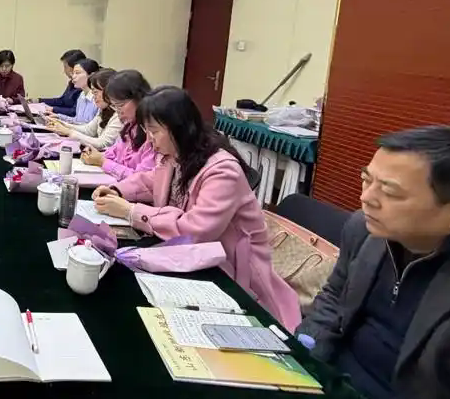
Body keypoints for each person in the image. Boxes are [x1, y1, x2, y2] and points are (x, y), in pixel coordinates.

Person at [297, 127, 450, 399]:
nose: (366, 198)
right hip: (329, 398)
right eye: (367, 180)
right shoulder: (364, 229)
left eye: (390, 191)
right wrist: (301, 363)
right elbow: (333, 300)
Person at [91, 86, 300, 330]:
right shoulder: (174, 154)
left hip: (236, 275)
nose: (149, 139)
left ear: (179, 128)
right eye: (146, 131)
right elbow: (153, 181)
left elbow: (195, 231)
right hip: (192, 256)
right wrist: (118, 190)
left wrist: (131, 212)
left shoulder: (222, 170)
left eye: (154, 131)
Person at [80, 69, 156, 180]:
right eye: (114, 106)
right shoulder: (130, 127)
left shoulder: (152, 133)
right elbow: (114, 152)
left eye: (120, 105)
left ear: (138, 98)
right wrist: (95, 155)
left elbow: (140, 180)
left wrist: (103, 162)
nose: (118, 112)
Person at [46, 69, 121, 150]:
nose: (93, 96)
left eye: (95, 92)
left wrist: (68, 131)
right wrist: (63, 124)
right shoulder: (104, 109)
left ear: (109, 92)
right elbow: (89, 130)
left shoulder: (119, 114)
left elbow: (103, 144)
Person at [37, 49, 85, 116]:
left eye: (65, 67)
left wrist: (53, 109)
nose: (64, 71)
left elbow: (74, 112)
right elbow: (62, 101)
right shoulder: (72, 83)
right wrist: (39, 101)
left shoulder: (83, 87)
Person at [53, 58, 100, 123]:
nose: (73, 76)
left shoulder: (97, 98)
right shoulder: (82, 95)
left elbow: (89, 127)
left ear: (91, 75)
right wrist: (58, 117)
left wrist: (63, 125)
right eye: (73, 73)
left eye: (77, 73)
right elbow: (77, 120)